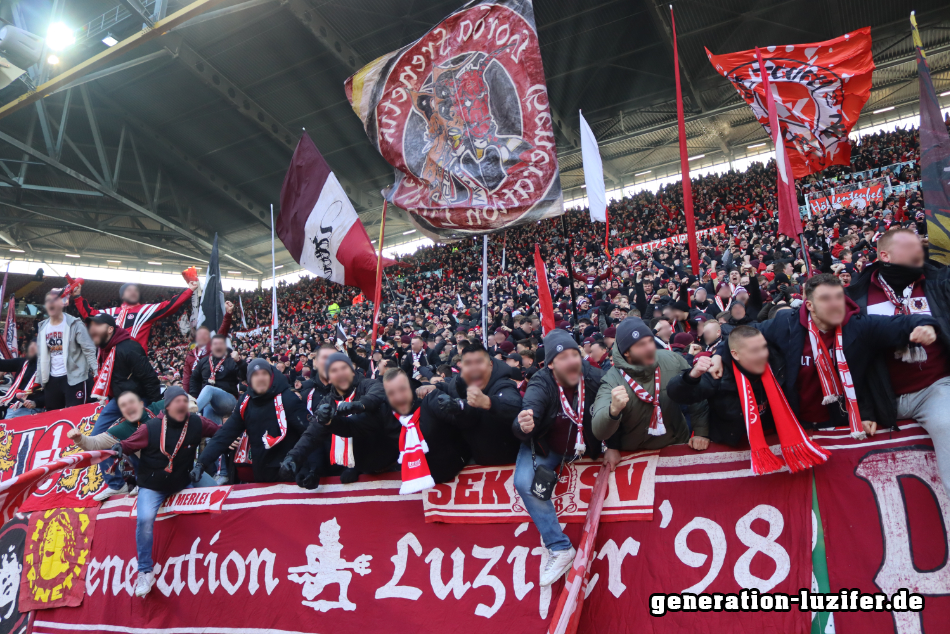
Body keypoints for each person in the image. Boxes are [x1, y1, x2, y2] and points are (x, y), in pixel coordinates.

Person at [708, 273, 938, 436]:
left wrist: (925, 325)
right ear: (809, 306)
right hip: (796, 421)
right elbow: (744, 335)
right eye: (826, 299)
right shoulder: (785, 325)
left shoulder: (858, 325)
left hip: (843, 423)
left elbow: (901, 322)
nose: (836, 304)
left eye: (838, 297)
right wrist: (719, 353)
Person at [845, 228, 950, 493]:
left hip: (934, 388)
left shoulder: (938, 281)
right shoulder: (856, 295)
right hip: (884, 396)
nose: (918, 253)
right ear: (885, 255)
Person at [513, 330, 619, 586]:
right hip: (546, 448)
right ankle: (560, 548)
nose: (572, 360)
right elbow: (528, 412)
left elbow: (613, 410)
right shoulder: (541, 382)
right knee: (524, 482)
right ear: (550, 364)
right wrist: (524, 425)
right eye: (563, 357)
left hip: (585, 447)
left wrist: (613, 445)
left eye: (575, 354)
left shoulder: (594, 376)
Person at [667, 326, 831, 474]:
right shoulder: (719, 373)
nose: (762, 355)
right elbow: (678, 395)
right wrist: (691, 376)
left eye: (763, 348)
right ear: (735, 354)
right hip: (734, 442)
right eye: (754, 351)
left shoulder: (777, 361)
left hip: (775, 438)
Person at [112, 387, 218, 597]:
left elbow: (221, 433)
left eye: (184, 401)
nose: (182, 405)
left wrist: (232, 436)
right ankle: (144, 571)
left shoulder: (197, 422)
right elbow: (127, 444)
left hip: (183, 482)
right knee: (144, 520)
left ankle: (208, 560)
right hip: (152, 486)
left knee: (215, 497)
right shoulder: (150, 428)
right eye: (177, 401)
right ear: (167, 406)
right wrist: (118, 448)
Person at [592, 318, 709, 451]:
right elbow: (599, 431)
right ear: (626, 352)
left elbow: (695, 395)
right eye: (641, 345)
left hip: (676, 444)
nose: (649, 348)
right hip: (636, 453)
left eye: (650, 341)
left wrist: (701, 431)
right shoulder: (612, 379)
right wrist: (612, 411)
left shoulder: (672, 359)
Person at [196, 358, 309, 484]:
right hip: (262, 475)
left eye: (264, 374)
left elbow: (310, 434)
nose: (260, 378)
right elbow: (225, 434)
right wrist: (201, 463)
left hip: (291, 475)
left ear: (271, 376)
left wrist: (309, 469)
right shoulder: (246, 401)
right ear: (249, 379)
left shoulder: (287, 398)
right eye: (255, 375)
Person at [87, 313, 162, 500]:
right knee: (96, 437)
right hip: (117, 400)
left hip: (138, 400)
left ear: (110, 329)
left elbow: (149, 378)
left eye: (97, 326)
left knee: (136, 437)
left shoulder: (129, 348)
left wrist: (153, 408)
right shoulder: (104, 350)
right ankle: (116, 484)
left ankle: (144, 481)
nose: (92, 330)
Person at [286, 353, 389, 486]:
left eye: (344, 368)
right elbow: (312, 433)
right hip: (343, 470)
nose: (340, 374)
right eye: (334, 371)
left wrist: (359, 405)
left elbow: (377, 393)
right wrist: (293, 457)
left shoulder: (367, 384)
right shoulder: (327, 401)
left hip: (380, 468)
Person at [428, 342, 522, 468]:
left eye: (479, 362)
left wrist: (488, 402)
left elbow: (513, 405)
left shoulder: (503, 383)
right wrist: (435, 386)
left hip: (505, 461)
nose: (474, 368)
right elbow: (451, 386)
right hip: (474, 458)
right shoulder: (460, 383)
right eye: (468, 364)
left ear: (490, 364)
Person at [71, 279, 199, 351]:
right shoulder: (111, 313)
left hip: (135, 359)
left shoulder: (146, 310)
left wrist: (189, 290)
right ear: (122, 295)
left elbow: (170, 305)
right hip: (111, 360)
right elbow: (89, 314)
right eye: (128, 290)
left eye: (135, 290)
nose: (133, 292)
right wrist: (77, 296)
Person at [36, 289, 97, 410]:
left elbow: (89, 350)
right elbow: (41, 356)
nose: (50, 303)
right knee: (52, 417)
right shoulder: (42, 327)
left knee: (74, 415)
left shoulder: (75, 324)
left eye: (54, 300)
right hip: (51, 380)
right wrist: (39, 380)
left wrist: (97, 373)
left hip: (74, 378)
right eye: (48, 300)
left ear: (63, 303)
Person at [181, 301, 234, 389]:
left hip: (213, 386)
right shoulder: (190, 356)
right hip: (197, 390)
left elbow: (222, 332)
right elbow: (187, 379)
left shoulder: (212, 347)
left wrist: (228, 314)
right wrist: (187, 397)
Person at [0, 341, 41, 418]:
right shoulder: (22, 362)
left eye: (35, 345)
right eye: (31, 344)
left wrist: (35, 403)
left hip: (33, 410)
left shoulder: (48, 368)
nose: (31, 347)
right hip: (13, 408)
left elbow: (50, 394)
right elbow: (2, 365)